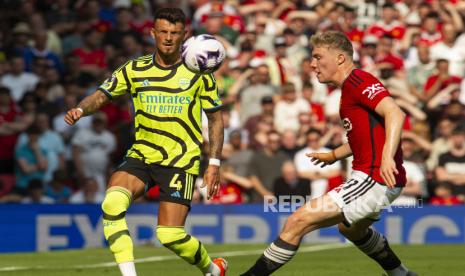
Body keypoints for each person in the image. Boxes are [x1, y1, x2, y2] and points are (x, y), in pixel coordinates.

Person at [64, 8, 227, 276]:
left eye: (174, 33)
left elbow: (216, 119)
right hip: (141, 154)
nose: (168, 38)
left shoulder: (199, 74)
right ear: (153, 33)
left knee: (170, 235)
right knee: (112, 204)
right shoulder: (134, 69)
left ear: (184, 36)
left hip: (181, 160)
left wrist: (214, 163)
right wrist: (81, 110)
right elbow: (103, 94)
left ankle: (212, 268)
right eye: (163, 31)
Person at [241, 31, 417, 276]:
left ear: (341, 59)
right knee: (351, 231)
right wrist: (334, 155)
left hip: (374, 178)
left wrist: (387, 158)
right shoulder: (348, 90)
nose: (312, 64)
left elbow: (395, 113)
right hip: (376, 178)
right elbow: (364, 139)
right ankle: (402, 273)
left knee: (297, 221)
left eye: (318, 57)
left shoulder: (358, 80)